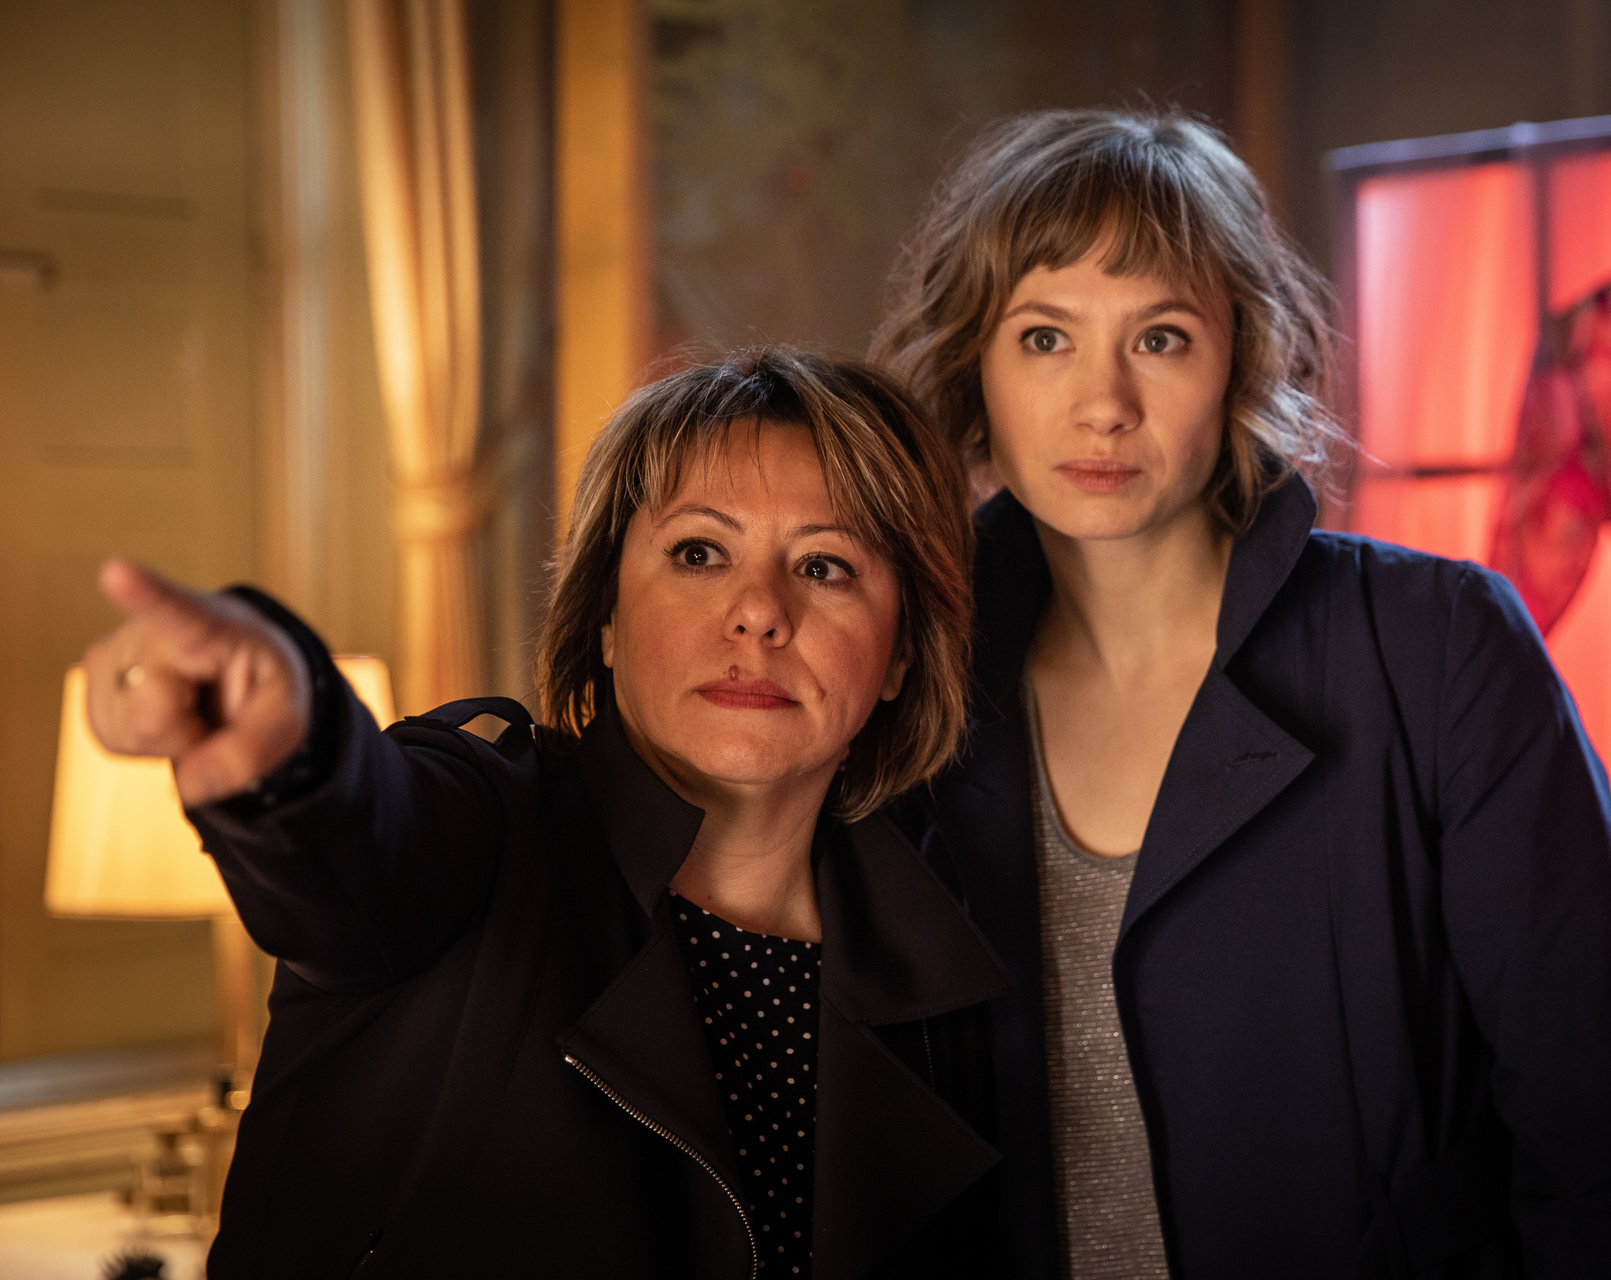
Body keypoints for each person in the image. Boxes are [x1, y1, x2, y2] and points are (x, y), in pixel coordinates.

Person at [873, 109, 1611, 1278]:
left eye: (1161, 338)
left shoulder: (1439, 647)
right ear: (976, 368)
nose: (1103, 402)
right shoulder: (912, 686)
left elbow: (1608, 1142)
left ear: (1242, 361)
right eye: (1045, 337)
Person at [83, 351, 1009, 1279]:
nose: (760, 612)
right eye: (699, 553)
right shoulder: (483, 829)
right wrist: (293, 742)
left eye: (825, 566)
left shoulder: (947, 955)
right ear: (605, 613)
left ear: (902, 654)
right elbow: (367, 831)